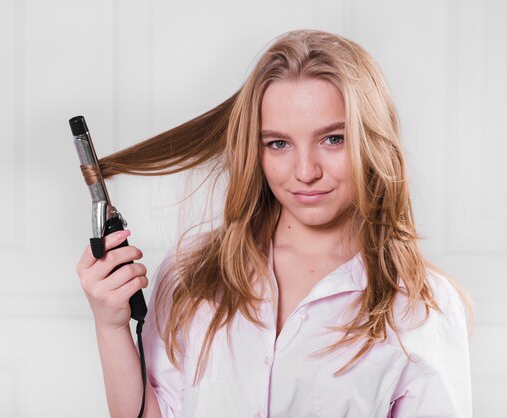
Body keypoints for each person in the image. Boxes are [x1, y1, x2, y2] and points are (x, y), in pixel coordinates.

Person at [75, 29, 474, 418]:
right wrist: (110, 326)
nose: (305, 171)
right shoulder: (193, 274)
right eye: (278, 143)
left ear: (372, 141)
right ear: (256, 150)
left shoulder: (421, 307)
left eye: (333, 139)